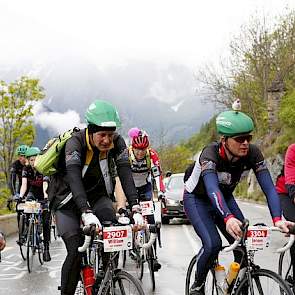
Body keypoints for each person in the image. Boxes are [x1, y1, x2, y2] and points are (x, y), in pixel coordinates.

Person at [183, 105, 293, 295]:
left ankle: (237, 287)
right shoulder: (209, 154)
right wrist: (227, 217)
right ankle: (197, 285)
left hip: (224, 197)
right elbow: (211, 188)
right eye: (240, 139)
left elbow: (268, 187)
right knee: (212, 244)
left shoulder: (253, 153)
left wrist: (277, 219)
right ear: (224, 140)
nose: (245, 143)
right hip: (198, 199)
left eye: (248, 138)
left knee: (243, 243)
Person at [49, 100, 139, 295]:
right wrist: (85, 211)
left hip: (97, 197)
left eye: (110, 135)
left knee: (112, 232)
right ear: (90, 130)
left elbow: (125, 174)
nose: (107, 140)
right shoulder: (75, 142)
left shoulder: (117, 142)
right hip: (67, 201)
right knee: (76, 251)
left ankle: (104, 279)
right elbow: (73, 178)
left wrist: (136, 208)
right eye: (102, 135)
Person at [127, 127, 165, 271]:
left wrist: (160, 192)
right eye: (138, 149)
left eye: (143, 149)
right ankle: (131, 246)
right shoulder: (127, 154)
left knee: (150, 220)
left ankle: (153, 256)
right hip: (130, 189)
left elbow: (157, 175)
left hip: (145, 188)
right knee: (130, 219)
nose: (140, 152)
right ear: (133, 147)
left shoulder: (152, 155)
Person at [19, 146, 51, 262]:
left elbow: (45, 184)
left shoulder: (43, 168)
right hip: (33, 193)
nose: (33, 162)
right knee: (26, 206)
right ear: (28, 160)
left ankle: (46, 248)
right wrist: (20, 196)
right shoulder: (26, 169)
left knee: (46, 220)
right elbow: (24, 184)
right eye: (31, 160)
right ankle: (30, 229)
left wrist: (46, 197)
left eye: (35, 159)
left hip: (44, 194)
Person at [8, 145, 28, 209]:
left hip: (31, 186)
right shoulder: (15, 164)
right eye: (19, 155)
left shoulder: (31, 163)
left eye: (22, 155)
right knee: (19, 208)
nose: (20, 157)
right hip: (21, 185)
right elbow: (12, 180)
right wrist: (14, 194)